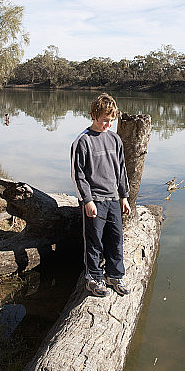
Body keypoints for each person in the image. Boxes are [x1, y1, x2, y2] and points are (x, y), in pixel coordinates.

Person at [70, 93, 131, 297]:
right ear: (94, 115)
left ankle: (114, 276)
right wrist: (87, 200)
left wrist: (124, 196)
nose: (108, 124)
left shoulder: (115, 139)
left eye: (111, 120)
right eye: (105, 119)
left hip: (113, 199)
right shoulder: (83, 141)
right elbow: (78, 175)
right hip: (95, 201)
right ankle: (93, 278)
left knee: (116, 239)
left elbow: (121, 170)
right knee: (94, 241)